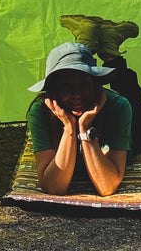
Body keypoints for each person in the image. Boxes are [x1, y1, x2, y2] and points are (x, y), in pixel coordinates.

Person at [27, 42, 132, 196]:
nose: (77, 94)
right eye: (66, 86)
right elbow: (54, 187)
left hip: (137, 132)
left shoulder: (118, 107)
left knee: (130, 88)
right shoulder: (40, 111)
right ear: (53, 92)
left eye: (84, 84)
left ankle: (111, 53)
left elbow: (107, 187)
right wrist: (69, 127)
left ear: (95, 86)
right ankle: (88, 40)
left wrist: (84, 128)